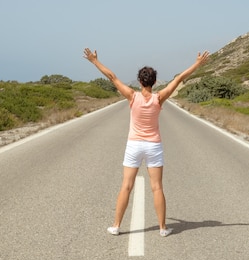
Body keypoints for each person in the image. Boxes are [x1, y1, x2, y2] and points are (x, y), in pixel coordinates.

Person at [83, 48, 210, 237]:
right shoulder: (159, 98)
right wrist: (198, 64)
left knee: (126, 185)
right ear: (154, 82)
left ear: (140, 81)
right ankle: (162, 228)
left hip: (134, 145)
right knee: (157, 187)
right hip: (153, 146)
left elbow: (112, 76)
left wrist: (94, 61)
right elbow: (179, 78)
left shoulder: (132, 96)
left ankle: (116, 226)